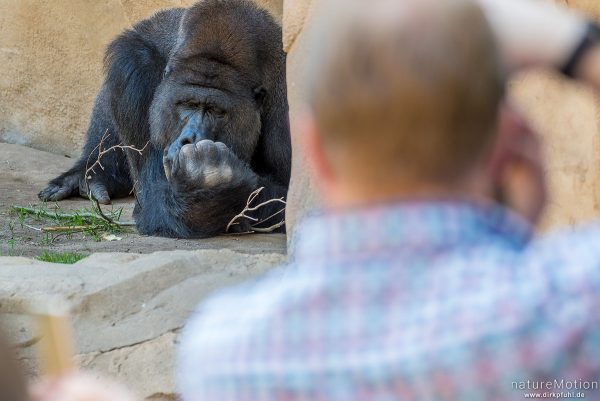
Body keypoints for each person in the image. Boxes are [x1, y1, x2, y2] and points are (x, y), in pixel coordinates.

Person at [31, 0, 600, 400]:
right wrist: (572, 45)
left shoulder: (222, 347)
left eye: (213, 116)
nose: (191, 135)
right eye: (184, 112)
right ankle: (95, 163)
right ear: (512, 153)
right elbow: (155, 216)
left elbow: (254, 202)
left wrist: (241, 193)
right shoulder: (564, 308)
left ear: (316, 159)